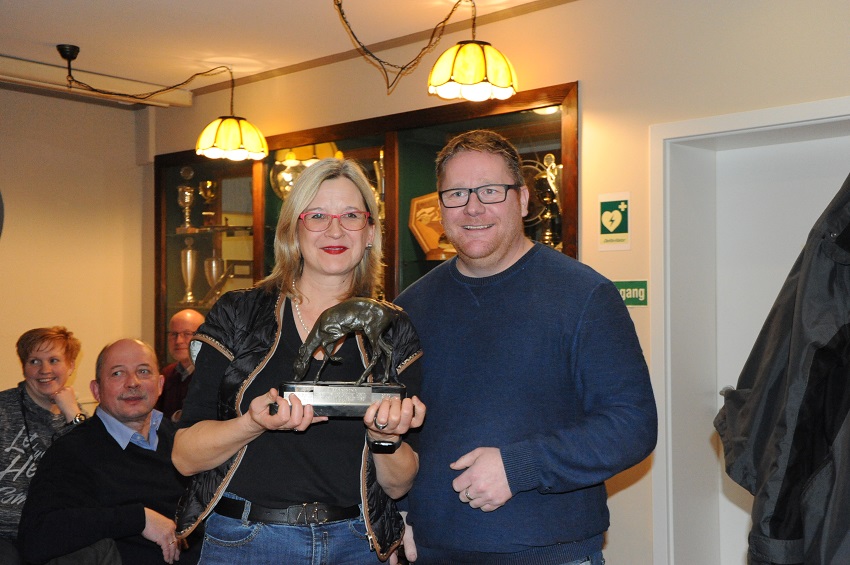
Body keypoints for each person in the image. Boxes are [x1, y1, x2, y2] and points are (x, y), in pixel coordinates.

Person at [394, 130, 658, 564]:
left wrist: (520, 467)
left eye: (490, 191)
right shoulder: (410, 306)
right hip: (432, 549)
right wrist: (398, 509)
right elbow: (395, 426)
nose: (473, 207)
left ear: (522, 200)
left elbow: (632, 425)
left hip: (549, 552)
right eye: (456, 194)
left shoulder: (584, 295)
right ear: (439, 207)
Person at [172, 158, 426, 563]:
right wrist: (252, 423)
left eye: (351, 216)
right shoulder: (240, 314)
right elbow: (184, 457)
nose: (335, 230)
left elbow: (397, 486)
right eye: (318, 215)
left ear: (371, 232)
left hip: (356, 546)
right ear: (293, 228)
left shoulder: (393, 328)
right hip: (245, 544)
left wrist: (386, 437)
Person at [18, 338, 200, 564]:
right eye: (117, 373)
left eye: (143, 371)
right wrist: (138, 518)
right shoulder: (72, 452)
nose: (133, 383)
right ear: (96, 390)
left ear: (161, 384)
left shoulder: (184, 441)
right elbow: (36, 538)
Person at [0, 326, 87, 563]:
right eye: (34, 361)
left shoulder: (77, 417)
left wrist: (73, 415)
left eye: (54, 360)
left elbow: (93, 471)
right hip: (5, 532)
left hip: (55, 531)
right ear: (24, 368)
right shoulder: (3, 408)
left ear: (70, 366)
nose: (45, 370)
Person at [157, 309, 205, 421]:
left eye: (187, 334)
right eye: (174, 334)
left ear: (203, 337)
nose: (178, 341)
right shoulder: (165, 374)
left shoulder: (214, 375)